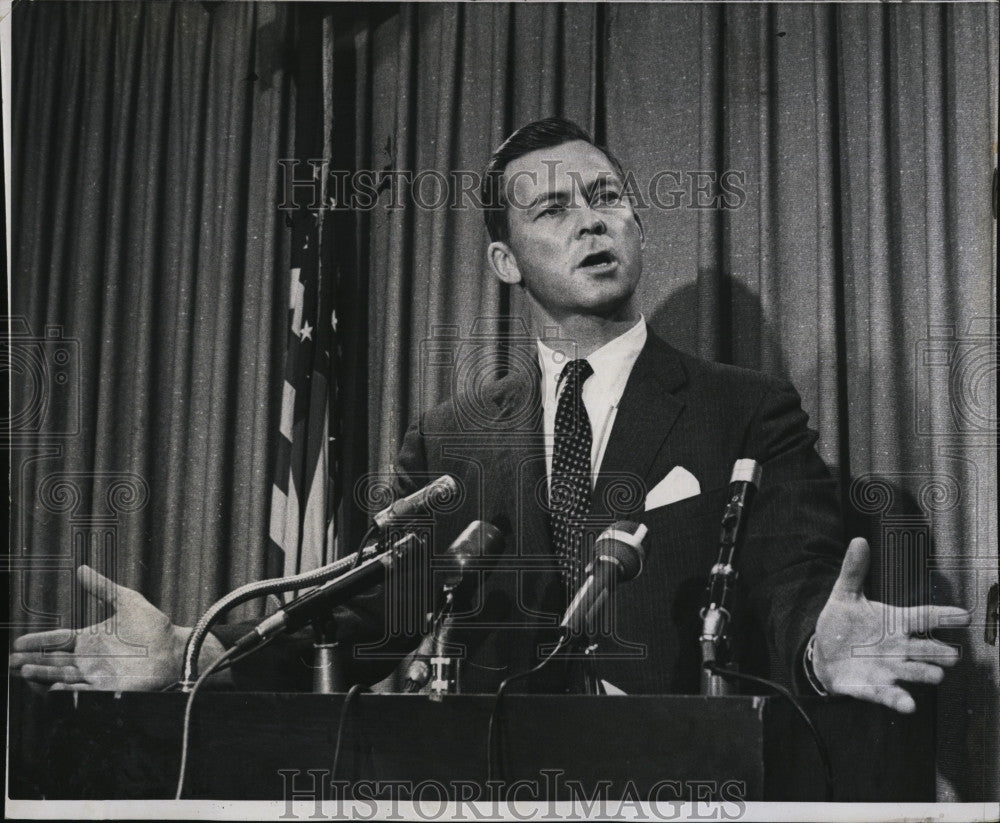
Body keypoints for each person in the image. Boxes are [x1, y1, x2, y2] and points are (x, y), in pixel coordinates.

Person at [10, 119, 970, 711]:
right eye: (553, 208)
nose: (592, 219)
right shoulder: (448, 440)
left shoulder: (745, 409)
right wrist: (193, 651)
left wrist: (817, 641)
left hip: (691, 782)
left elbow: (787, 579)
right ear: (505, 262)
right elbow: (352, 625)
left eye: (607, 198)